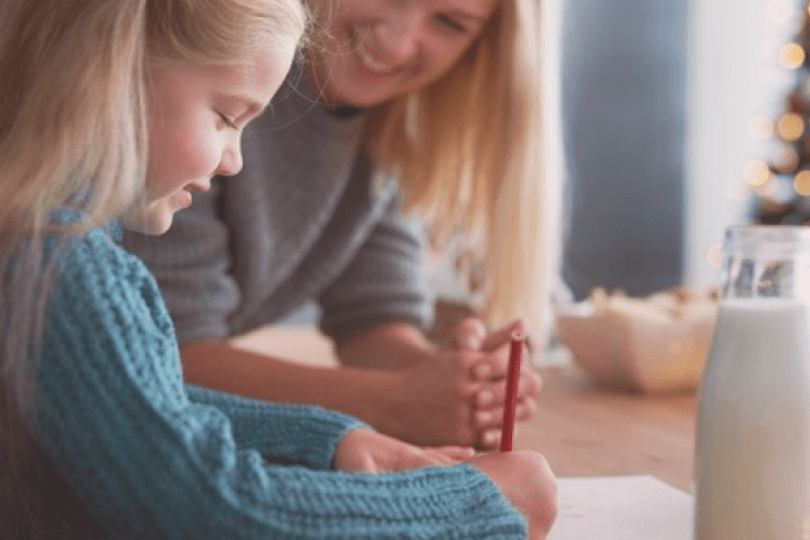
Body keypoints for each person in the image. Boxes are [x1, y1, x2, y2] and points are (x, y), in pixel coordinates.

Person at [0, 0, 559, 538]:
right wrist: (475, 505)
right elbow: (214, 507)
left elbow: (148, 403)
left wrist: (328, 439)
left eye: (449, 20)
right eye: (226, 117)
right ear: (112, 73)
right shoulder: (72, 270)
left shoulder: (51, 247)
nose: (234, 160)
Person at [124, 0, 561, 449]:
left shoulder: (390, 125)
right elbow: (157, 351)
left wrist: (460, 384)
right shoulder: (212, 74)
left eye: (449, 22)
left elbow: (374, 316)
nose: (396, 44)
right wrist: (392, 404)